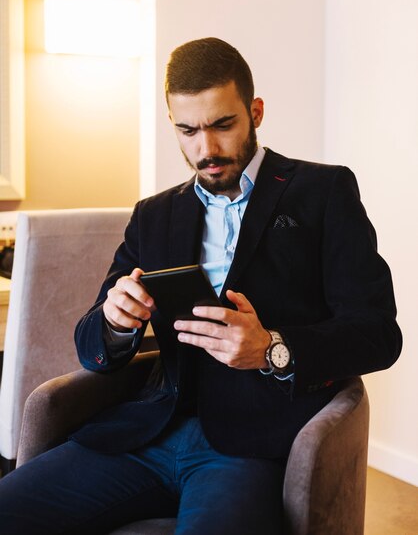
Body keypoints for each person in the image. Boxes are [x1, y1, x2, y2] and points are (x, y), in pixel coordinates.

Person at [0, 37, 402, 534]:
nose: (205, 150)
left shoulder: (323, 192)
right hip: (145, 435)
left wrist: (272, 348)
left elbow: (379, 333)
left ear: (254, 111)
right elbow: (91, 347)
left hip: (251, 447)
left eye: (222, 125)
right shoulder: (154, 214)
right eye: (187, 130)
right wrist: (114, 320)